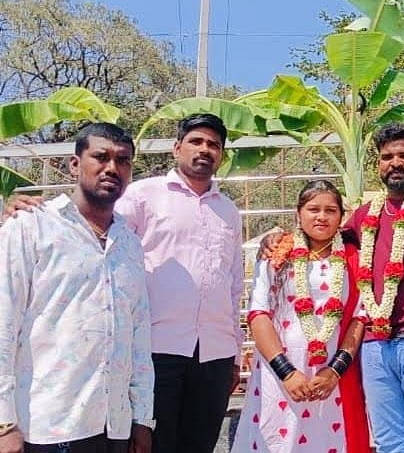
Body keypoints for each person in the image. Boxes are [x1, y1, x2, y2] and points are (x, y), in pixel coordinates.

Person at [1, 113, 244, 453]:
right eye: (196, 141)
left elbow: (233, 284)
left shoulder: (226, 212)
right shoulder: (139, 197)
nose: (112, 169)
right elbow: (84, 212)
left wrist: (234, 354)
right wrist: (3, 422)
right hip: (151, 357)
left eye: (213, 145)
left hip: (209, 356)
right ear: (175, 149)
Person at [262, 122, 404, 452]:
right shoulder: (364, 216)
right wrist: (280, 238)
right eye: (387, 157)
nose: (395, 163)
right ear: (379, 165)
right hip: (374, 347)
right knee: (389, 443)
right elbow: (322, 234)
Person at [0, 123, 155, 453]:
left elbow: (138, 335)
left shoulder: (130, 243)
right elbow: (3, 322)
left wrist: (142, 417)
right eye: (100, 157)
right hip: (47, 424)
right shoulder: (31, 227)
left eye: (123, 160)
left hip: (113, 425)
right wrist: (3, 422)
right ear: (74, 164)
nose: (112, 168)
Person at [232, 180, 369, 452]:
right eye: (313, 209)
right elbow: (258, 314)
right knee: (277, 441)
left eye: (331, 210)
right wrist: (286, 372)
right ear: (299, 213)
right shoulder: (276, 255)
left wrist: (335, 371)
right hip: (279, 373)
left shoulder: (355, 258)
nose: (321, 216)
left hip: (330, 380)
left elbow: (359, 318)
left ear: (341, 217)